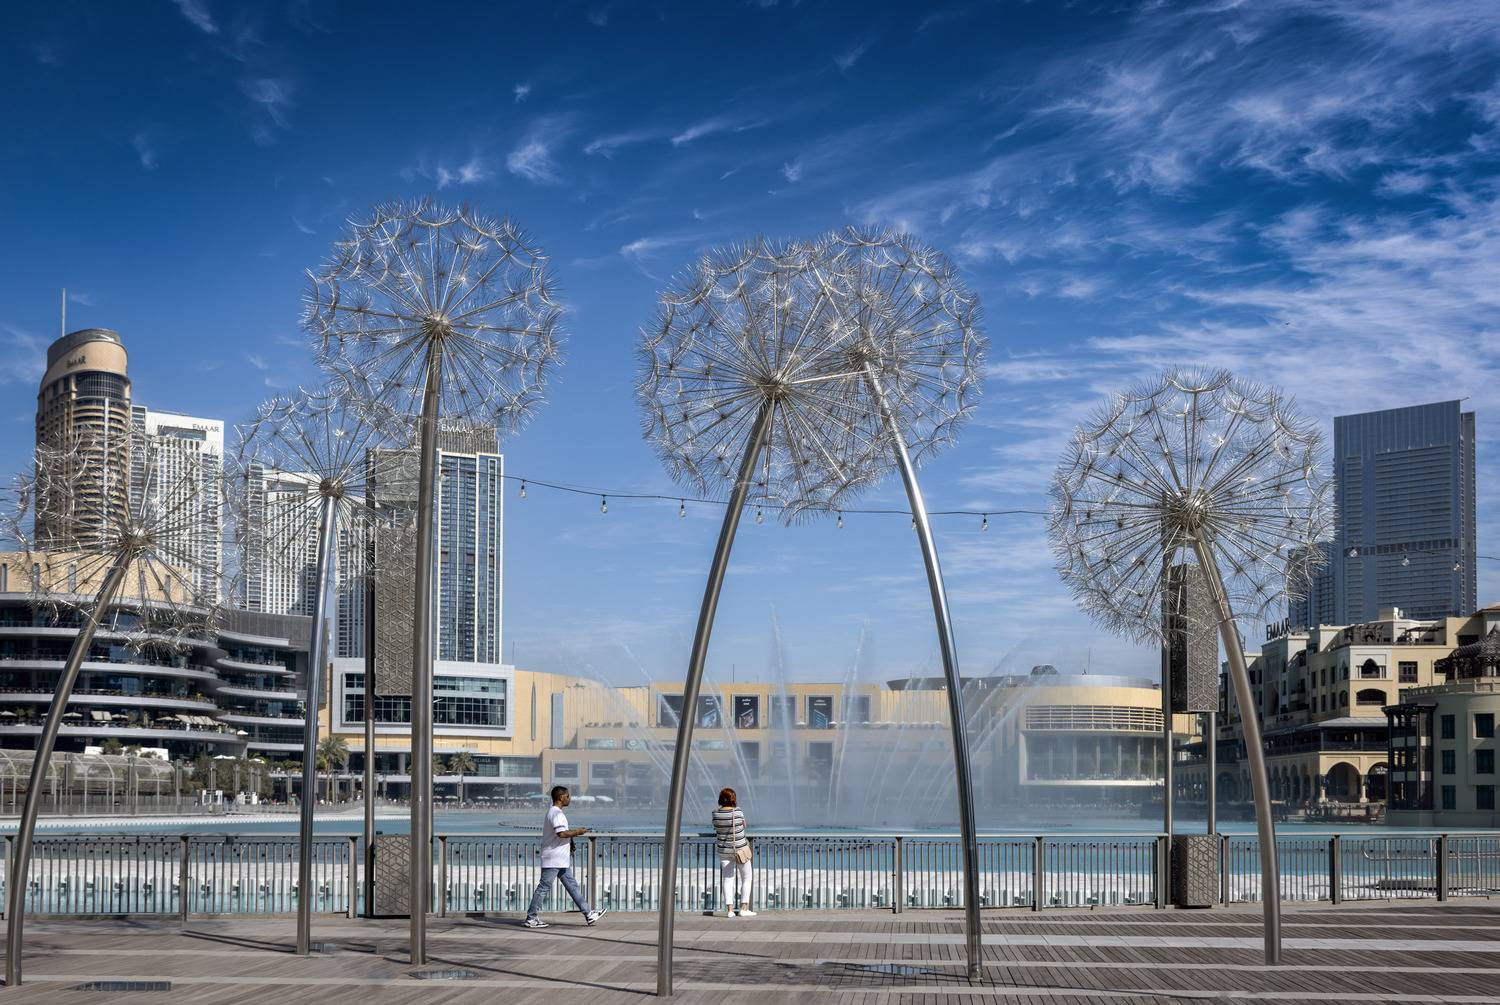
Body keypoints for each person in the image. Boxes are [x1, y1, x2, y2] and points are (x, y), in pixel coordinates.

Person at [523, 785, 605, 929]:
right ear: (561, 797)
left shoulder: (555, 813)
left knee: (572, 887)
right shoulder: (556, 814)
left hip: (560, 859)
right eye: (568, 796)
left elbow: (562, 833)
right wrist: (578, 832)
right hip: (553, 859)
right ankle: (531, 918)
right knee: (543, 887)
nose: (569, 798)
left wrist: (571, 842)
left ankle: (589, 914)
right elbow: (561, 833)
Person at [712, 787, 755, 918]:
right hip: (740, 850)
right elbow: (744, 825)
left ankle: (730, 910)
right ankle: (744, 908)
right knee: (746, 878)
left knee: (727, 879)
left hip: (724, 851)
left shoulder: (715, 813)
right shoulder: (738, 812)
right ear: (733, 799)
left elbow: (715, 826)